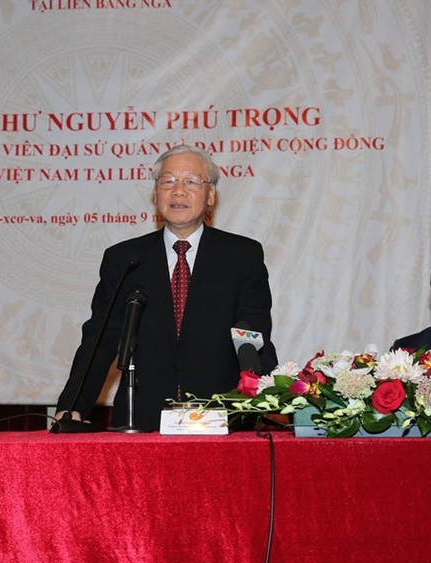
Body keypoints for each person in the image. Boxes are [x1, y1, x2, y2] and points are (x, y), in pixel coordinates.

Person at [54, 144, 279, 431]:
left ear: (210, 195)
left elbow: (254, 335)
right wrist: (72, 406)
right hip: (142, 419)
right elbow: (100, 338)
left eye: (191, 182)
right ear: (156, 193)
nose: (178, 191)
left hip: (222, 419)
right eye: (168, 181)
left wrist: (271, 400)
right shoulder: (125, 259)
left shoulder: (241, 256)